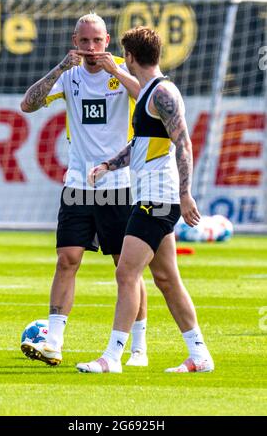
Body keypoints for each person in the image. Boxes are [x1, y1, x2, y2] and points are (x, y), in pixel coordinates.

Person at [77, 26, 214, 374]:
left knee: (126, 272)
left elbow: (183, 144)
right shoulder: (150, 91)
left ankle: (112, 357)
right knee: (167, 279)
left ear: (132, 57)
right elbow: (141, 144)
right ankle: (200, 354)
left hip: (159, 198)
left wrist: (185, 194)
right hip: (154, 194)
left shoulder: (163, 92)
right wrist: (109, 165)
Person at [20, 14, 148, 367]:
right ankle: (54, 343)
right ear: (74, 41)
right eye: (84, 42)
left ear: (107, 41)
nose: (90, 49)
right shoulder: (69, 74)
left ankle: (138, 346)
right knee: (67, 260)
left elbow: (152, 100)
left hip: (117, 185)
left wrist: (116, 73)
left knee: (126, 267)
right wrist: (61, 67)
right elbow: (28, 104)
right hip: (77, 184)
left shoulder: (123, 71)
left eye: (96, 42)